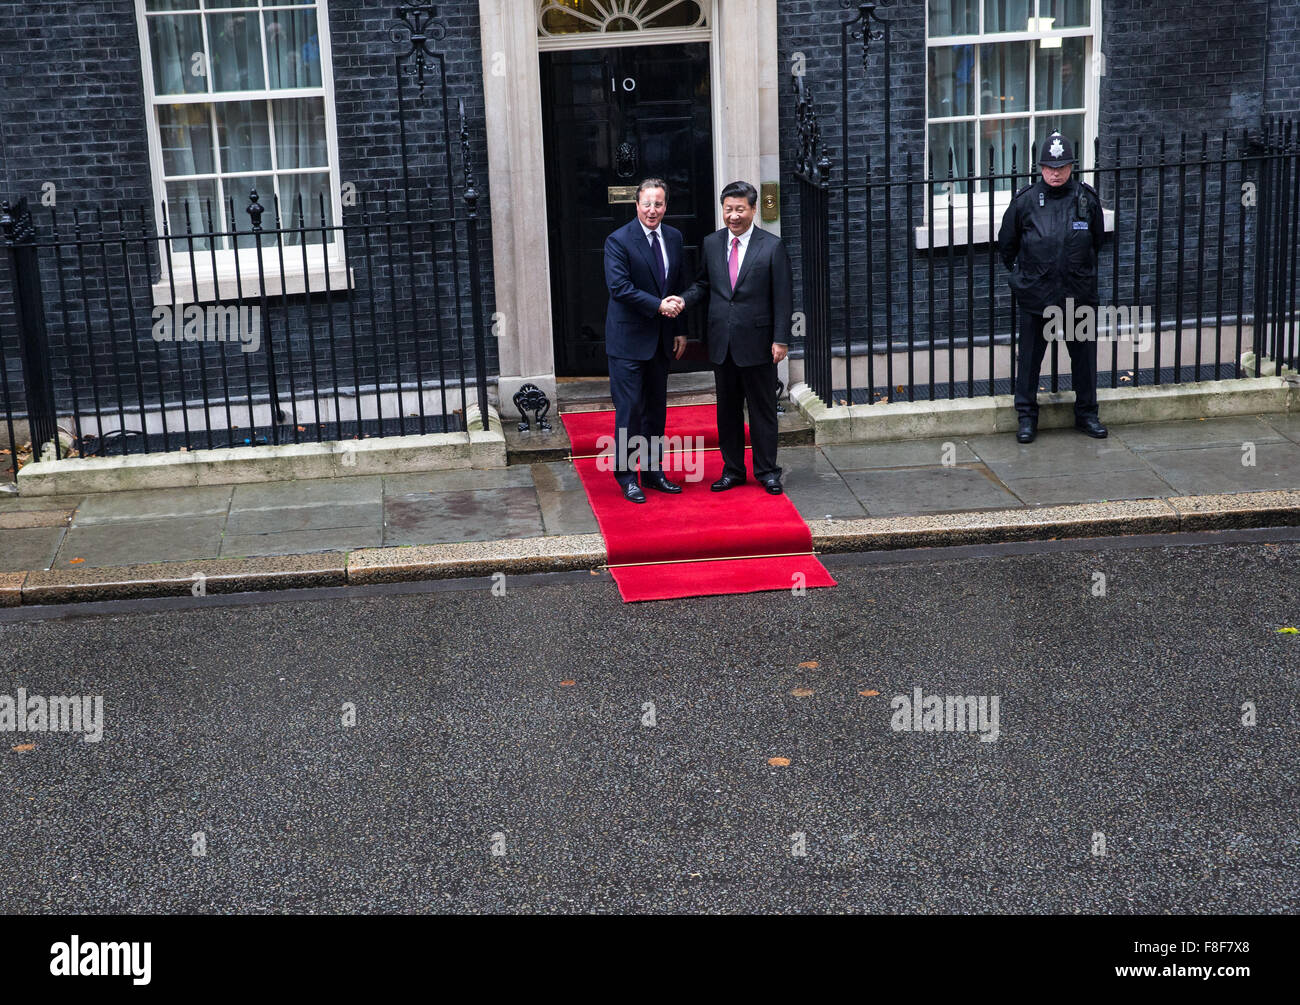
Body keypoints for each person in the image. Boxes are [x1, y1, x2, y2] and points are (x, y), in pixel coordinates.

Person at [680, 181, 792, 494]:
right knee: (727, 412)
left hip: (758, 343)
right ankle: (732, 470)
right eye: (728, 209)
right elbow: (703, 285)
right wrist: (683, 300)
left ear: (753, 210)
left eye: (739, 209)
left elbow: (783, 297)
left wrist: (781, 339)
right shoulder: (712, 243)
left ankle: (767, 471)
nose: (733, 216)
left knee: (762, 410)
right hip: (722, 342)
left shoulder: (771, 246)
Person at [997, 131, 1107, 444]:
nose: (1054, 173)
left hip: (1077, 293)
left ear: (1071, 167)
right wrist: (1027, 278)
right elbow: (1007, 245)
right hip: (1037, 295)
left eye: (1060, 167)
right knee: (1030, 360)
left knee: (1084, 359)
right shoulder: (1026, 201)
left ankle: (1087, 414)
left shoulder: (1086, 199)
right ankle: (1027, 419)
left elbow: (1097, 242)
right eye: (1048, 167)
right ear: (1040, 168)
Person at [602, 178, 689, 503]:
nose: (653, 210)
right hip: (627, 341)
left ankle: (653, 473)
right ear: (637, 205)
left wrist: (680, 328)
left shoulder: (674, 237)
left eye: (659, 204)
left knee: (655, 410)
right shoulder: (618, 240)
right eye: (647, 203)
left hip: (661, 339)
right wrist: (657, 306)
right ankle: (627, 477)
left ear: (666, 206)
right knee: (630, 410)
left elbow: (678, 283)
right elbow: (619, 288)